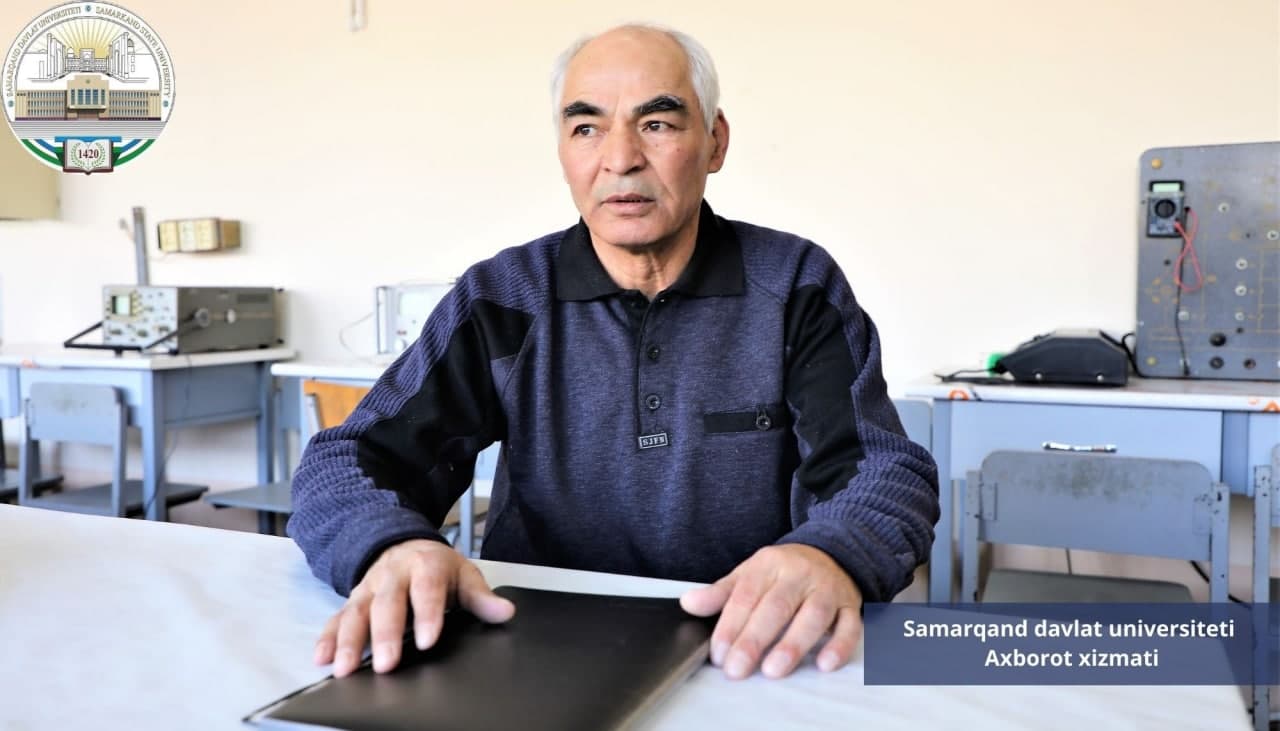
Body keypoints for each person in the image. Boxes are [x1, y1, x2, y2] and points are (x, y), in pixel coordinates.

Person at [289, 23, 939, 684]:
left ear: (715, 142)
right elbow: (349, 459)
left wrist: (831, 554)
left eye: (657, 124)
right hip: (532, 652)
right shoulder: (501, 297)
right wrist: (393, 543)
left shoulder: (795, 284)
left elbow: (882, 470)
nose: (621, 158)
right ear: (563, 150)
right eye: (587, 128)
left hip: (745, 650)